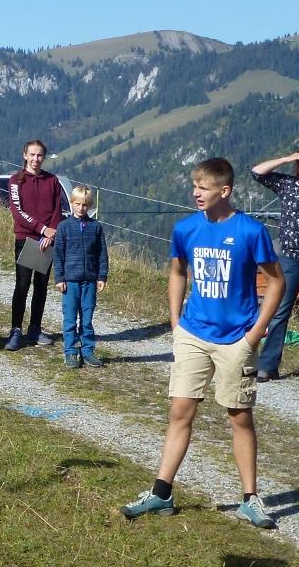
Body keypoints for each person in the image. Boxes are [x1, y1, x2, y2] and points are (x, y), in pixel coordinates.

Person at [121, 157, 283, 528]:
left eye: (204, 188)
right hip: (193, 333)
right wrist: (176, 322)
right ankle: (161, 493)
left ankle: (250, 499)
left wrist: (257, 332)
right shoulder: (186, 229)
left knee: (239, 415)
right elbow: (178, 271)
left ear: (224, 191)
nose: (196, 193)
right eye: (194, 186)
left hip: (236, 339)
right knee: (180, 411)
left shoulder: (250, 230)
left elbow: (276, 282)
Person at [250, 145, 299, 382]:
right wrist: (289, 157)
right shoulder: (288, 186)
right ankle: (267, 365)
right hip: (289, 258)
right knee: (279, 311)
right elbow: (257, 172)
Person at [5, 139, 65, 351]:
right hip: (26, 239)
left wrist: (51, 233)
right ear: (24, 155)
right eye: (32, 155)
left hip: (47, 241)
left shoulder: (53, 181)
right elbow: (17, 212)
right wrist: (41, 229)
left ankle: (35, 329)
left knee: (41, 286)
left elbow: (58, 211)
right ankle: (15, 330)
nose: (36, 159)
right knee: (22, 286)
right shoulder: (15, 181)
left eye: (39, 155)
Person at [54, 185, 108, 368]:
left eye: (85, 205)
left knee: (87, 318)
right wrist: (59, 278)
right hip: (70, 281)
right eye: (77, 204)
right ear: (71, 203)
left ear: (90, 206)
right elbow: (58, 255)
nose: (81, 208)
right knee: (70, 319)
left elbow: (102, 254)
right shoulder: (63, 227)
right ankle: (70, 352)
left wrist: (102, 276)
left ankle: (87, 351)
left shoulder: (96, 228)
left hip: (89, 281)